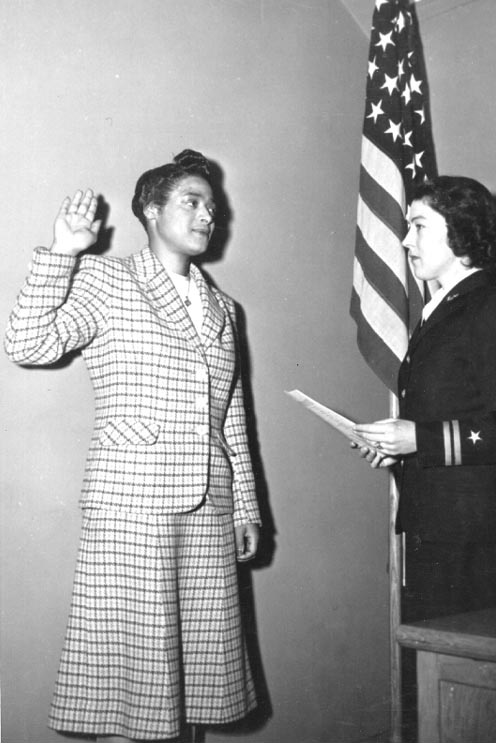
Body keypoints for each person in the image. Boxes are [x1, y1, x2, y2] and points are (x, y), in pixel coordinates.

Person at [4, 149, 261, 742]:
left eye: (212, 207)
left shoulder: (224, 308)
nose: (206, 216)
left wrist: (246, 507)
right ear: (150, 209)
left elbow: (231, 418)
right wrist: (64, 253)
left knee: (195, 682)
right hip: (132, 505)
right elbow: (28, 343)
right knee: (136, 687)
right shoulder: (108, 280)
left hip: (210, 507)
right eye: (191, 202)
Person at [353, 175, 496, 623]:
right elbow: (451, 412)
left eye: (419, 226)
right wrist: (397, 447)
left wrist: (419, 439)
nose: (405, 240)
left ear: (460, 233)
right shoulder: (442, 309)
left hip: (480, 540)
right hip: (437, 529)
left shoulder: (495, 309)